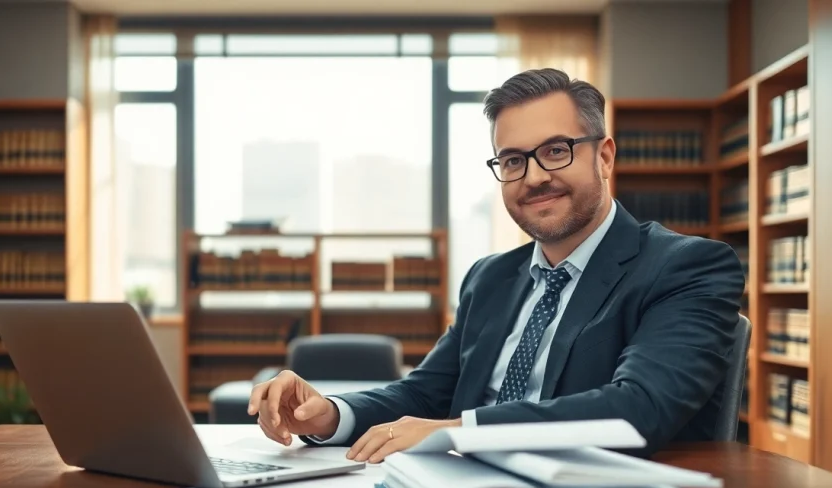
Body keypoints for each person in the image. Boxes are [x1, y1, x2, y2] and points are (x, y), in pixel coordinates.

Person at [247, 68, 745, 463]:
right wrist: (330, 415)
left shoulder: (687, 267)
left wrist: (461, 431)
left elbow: (638, 408)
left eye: (556, 151)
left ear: (605, 156)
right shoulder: (489, 277)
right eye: (512, 160)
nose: (534, 177)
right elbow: (427, 394)